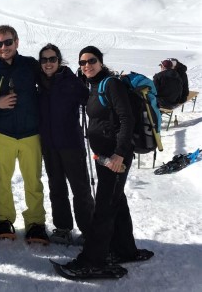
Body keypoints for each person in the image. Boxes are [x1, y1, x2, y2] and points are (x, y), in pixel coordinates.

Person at [58, 45, 153, 277]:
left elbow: (126, 119)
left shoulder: (111, 84)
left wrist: (119, 154)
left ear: (100, 62)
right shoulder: (94, 86)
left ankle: (94, 260)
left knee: (104, 207)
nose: (87, 66)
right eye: (82, 62)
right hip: (104, 157)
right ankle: (125, 249)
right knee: (116, 201)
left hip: (115, 157)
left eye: (91, 61)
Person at [0, 25, 48, 243]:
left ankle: (35, 223)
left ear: (17, 42)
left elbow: (49, 82)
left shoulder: (30, 66)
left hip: (30, 133)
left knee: (33, 180)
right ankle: (3, 220)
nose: (4, 47)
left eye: (8, 42)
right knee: (2, 180)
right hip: (3, 134)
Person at [38, 43, 94, 246]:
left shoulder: (71, 81)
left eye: (52, 59)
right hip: (49, 145)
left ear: (59, 60)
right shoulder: (39, 83)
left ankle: (89, 229)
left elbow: (91, 101)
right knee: (57, 187)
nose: (48, 63)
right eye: (44, 60)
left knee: (80, 189)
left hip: (71, 143)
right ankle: (63, 228)